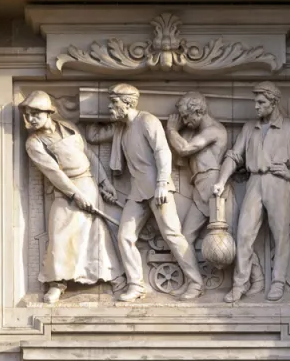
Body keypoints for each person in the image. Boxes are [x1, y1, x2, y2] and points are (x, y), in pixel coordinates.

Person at [87, 84, 204, 302]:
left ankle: (196, 283)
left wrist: (162, 183)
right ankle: (136, 285)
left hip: (158, 190)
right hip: (138, 192)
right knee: (125, 236)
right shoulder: (121, 128)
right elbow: (93, 136)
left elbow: (162, 152)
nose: (110, 107)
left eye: (114, 102)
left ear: (128, 103)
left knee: (172, 235)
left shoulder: (147, 121)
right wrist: (88, 111)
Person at [213, 81, 290, 303]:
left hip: (278, 182)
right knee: (243, 233)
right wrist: (221, 180)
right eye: (256, 102)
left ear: (274, 102)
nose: (256, 106)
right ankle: (240, 284)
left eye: (261, 102)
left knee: (281, 234)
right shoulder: (249, 128)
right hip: (254, 181)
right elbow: (234, 156)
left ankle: (278, 282)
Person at [20, 90, 125, 304]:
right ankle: (57, 283)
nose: (31, 118)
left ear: (48, 113)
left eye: (35, 113)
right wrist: (76, 195)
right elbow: (54, 173)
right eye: (28, 114)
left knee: (97, 234)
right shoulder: (34, 143)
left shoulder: (68, 127)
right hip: (65, 191)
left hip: (89, 183)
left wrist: (104, 182)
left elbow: (89, 155)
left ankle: (115, 277)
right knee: (60, 235)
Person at [165, 91, 264, 296]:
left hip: (216, 190)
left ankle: (257, 278)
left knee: (235, 238)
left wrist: (171, 129)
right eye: (182, 118)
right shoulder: (195, 132)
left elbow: (185, 149)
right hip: (200, 189)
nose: (185, 121)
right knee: (185, 237)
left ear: (198, 111)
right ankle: (194, 284)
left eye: (186, 117)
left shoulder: (215, 130)